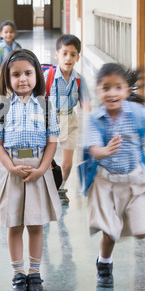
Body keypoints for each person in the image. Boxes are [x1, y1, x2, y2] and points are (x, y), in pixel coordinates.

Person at [0, 49, 62, 291]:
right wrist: (9, 167)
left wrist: (42, 169)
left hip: (38, 168)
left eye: (28, 73)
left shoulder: (46, 105)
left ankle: (35, 273)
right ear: (7, 78)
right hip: (12, 169)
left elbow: (52, 142)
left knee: (36, 223)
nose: (23, 79)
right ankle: (18, 274)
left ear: (37, 75)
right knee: (14, 224)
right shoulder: (2, 106)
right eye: (16, 74)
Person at [85, 63, 145, 288]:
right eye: (106, 88)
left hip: (135, 181)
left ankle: (123, 237)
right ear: (99, 92)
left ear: (126, 91)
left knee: (142, 232)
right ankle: (104, 263)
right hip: (106, 182)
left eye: (118, 87)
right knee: (111, 233)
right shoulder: (95, 119)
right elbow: (92, 148)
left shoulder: (137, 113)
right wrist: (105, 150)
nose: (112, 93)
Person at [44, 34, 90, 204]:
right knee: (45, 160)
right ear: (56, 54)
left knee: (68, 164)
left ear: (78, 56)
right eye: (64, 53)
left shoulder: (79, 80)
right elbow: (37, 100)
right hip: (50, 120)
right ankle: (45, 187)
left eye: (72, 54)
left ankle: (60, 187)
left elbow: (87, 106)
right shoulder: (48, 76)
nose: (68, 58)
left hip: (70, 120)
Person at [0, 20, 21, 89]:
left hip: (14, 76)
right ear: (1, 34)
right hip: (2, 77)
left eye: (11, 32)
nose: (9, 34)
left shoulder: (17, 47)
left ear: (14, 33)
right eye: (6, 32)